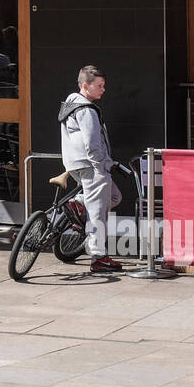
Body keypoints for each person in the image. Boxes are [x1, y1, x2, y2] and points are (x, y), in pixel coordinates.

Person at [58, 65, 123, 273]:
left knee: (113, 197)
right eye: (100, 86)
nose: (103, 89)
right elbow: (92, 143)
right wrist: (102, 165)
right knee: (97, 212)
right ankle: (99, 257)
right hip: (92, 165)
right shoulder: (86, 109)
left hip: (75, 163)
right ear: (86, 86)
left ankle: (78, 203)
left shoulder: (71, 102)